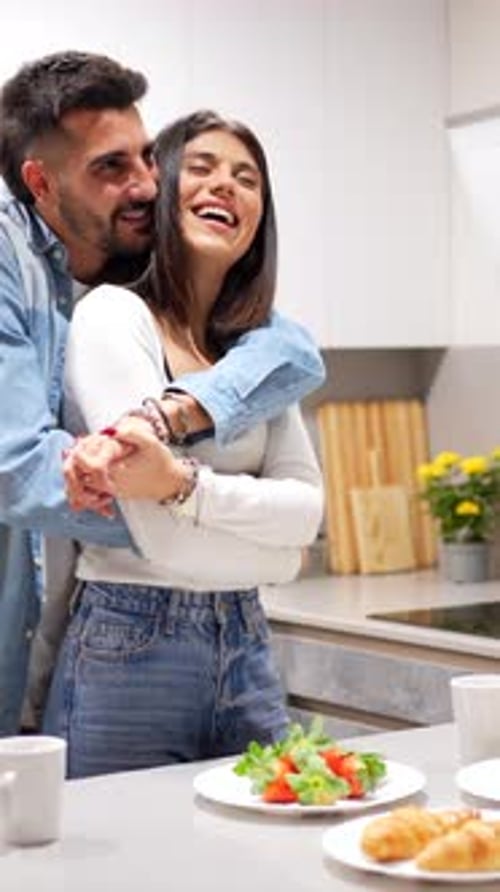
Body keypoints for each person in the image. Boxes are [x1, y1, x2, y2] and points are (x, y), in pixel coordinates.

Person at [0, 52, 325, 736]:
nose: (147, 184)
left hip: (230, 633)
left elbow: (292, 351)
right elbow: (21, 471)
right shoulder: (64, 287)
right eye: (111, 168)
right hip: (99, 635)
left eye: (148, 157)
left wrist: (174, 438)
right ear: (41, 183)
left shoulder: (140, 265)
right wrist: (235, 524)